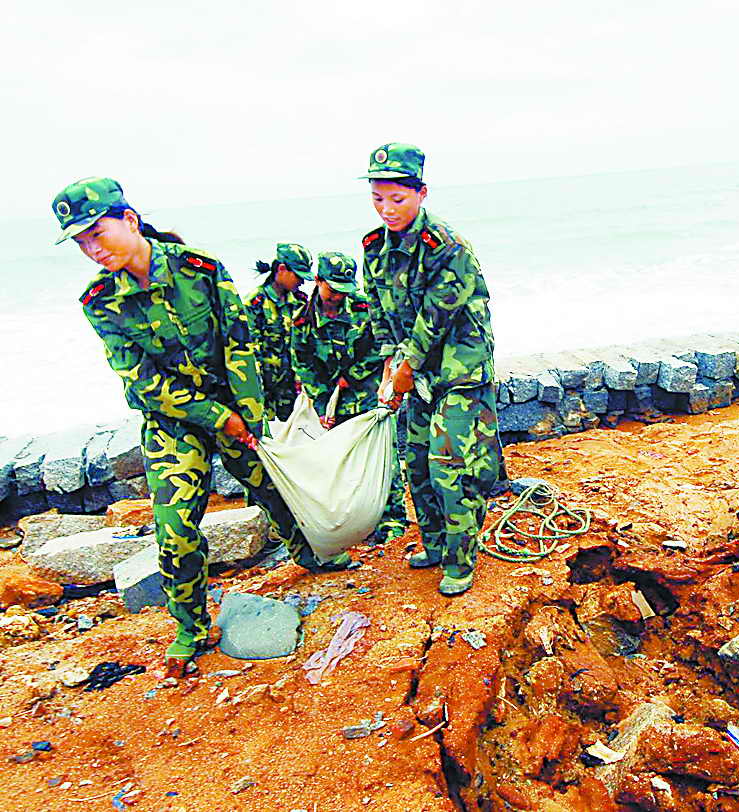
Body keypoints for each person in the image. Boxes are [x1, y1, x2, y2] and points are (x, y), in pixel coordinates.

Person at [52, 178, 353, 678]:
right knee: (174, 531)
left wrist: (248, 415)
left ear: (129, 219)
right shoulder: (99, 301)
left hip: (234, 404)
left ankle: (312, 556)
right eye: (81, 242)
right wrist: (217, 418)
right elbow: (142, 382)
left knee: (273, 489)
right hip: (172, 422)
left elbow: (239, 342)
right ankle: (190, 627)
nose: (91, 249)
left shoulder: (201, 269)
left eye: (96, 233)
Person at [359, 143, 501, 596]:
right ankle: (436, 546)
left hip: (460, 370)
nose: (387, 209)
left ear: (421, 193)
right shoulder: (374, 250)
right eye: (379, 199)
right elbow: (380, 313)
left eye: (397, 199)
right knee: (416, 463)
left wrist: (404, 370)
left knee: (450, 466)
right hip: (415, 373)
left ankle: (461, 562)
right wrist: (388, 364)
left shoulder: (447, 247)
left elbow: (434, 321)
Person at [291, 250, 410, 541]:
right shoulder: (301, 321)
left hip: (369, 392)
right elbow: (302, 364)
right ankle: (357, 518)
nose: (338, 297)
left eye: (343, 291)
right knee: (346, 460)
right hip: (334, 401)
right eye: (333, 290)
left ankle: (393, 520)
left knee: (384, 457)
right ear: (318, 281)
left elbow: (382, 345)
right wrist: (321, 405)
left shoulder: (364, 308)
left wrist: (352, 376)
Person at [245, 243, 312, 422]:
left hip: (292, 390)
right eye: (298, 276)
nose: (302, 282)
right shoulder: (255, 304)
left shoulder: (300, 303)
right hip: (265, 390)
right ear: (282, 269)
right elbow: (249, 349)